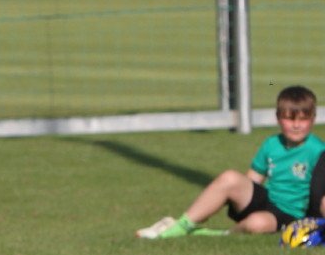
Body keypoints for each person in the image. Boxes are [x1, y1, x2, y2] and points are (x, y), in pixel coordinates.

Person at [137, 85, 325, 239]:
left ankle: (224, 235)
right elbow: (253, 179)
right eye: (289, 119)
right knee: (230, 177)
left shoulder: (318, 150)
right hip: (268, 201)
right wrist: (238, 194)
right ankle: (182, 225)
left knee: (257, 224)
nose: (296, 125)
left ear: (313, 119)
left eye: (303, 119)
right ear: (278, 118)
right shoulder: (271, 144)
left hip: (292, 215)